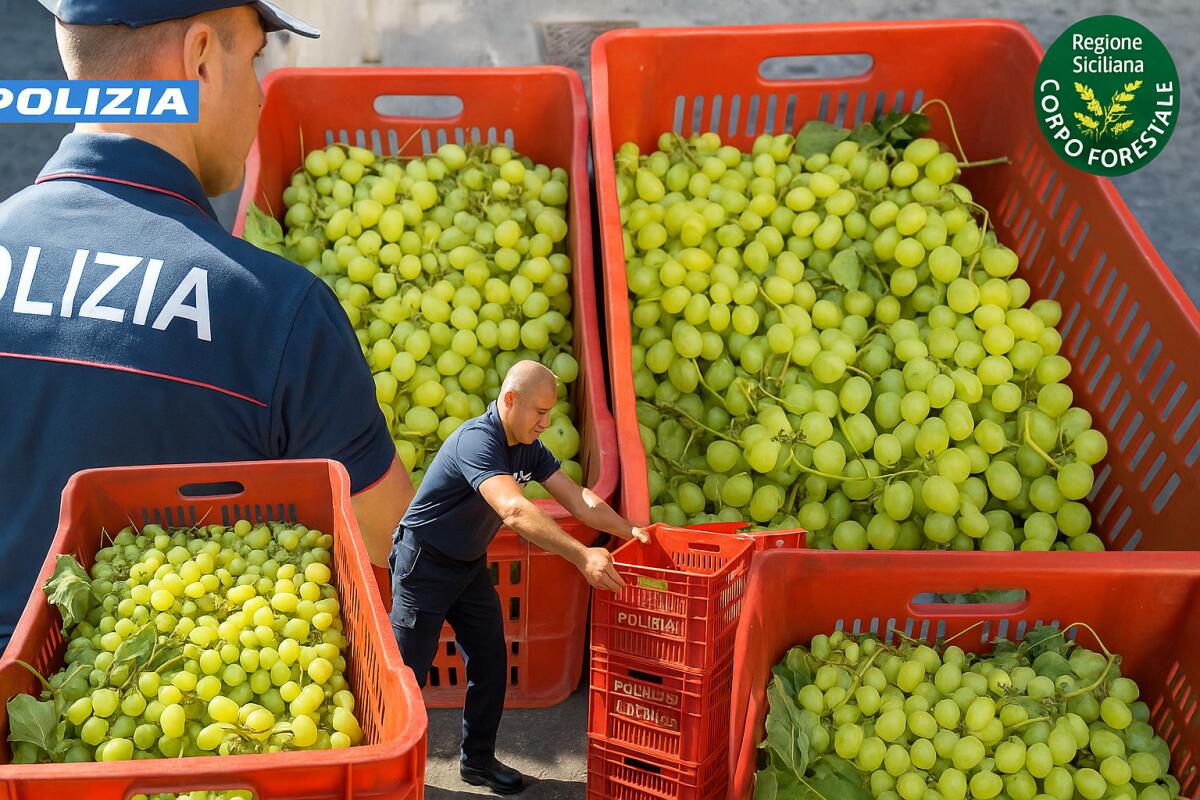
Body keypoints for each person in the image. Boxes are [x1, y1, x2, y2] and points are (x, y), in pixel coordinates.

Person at [0, 0, 415, 649]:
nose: (258, 96)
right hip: (189, 732)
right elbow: (394, 542)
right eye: (252, 60)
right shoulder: (277, 313)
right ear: (198, 58)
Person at [391, 359, 648, 794]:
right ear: (510, 400)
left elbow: (578, 497)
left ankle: (477, 763)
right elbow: (513, 510)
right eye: (540, 412)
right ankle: (387, 778)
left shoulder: (527, 445)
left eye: (551, 414)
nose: (547, 423)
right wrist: (583, 554)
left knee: (491, 663)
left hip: (467, 565)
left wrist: (630, 529)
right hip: (424, 564)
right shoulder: (478, 440)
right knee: (406, 678)